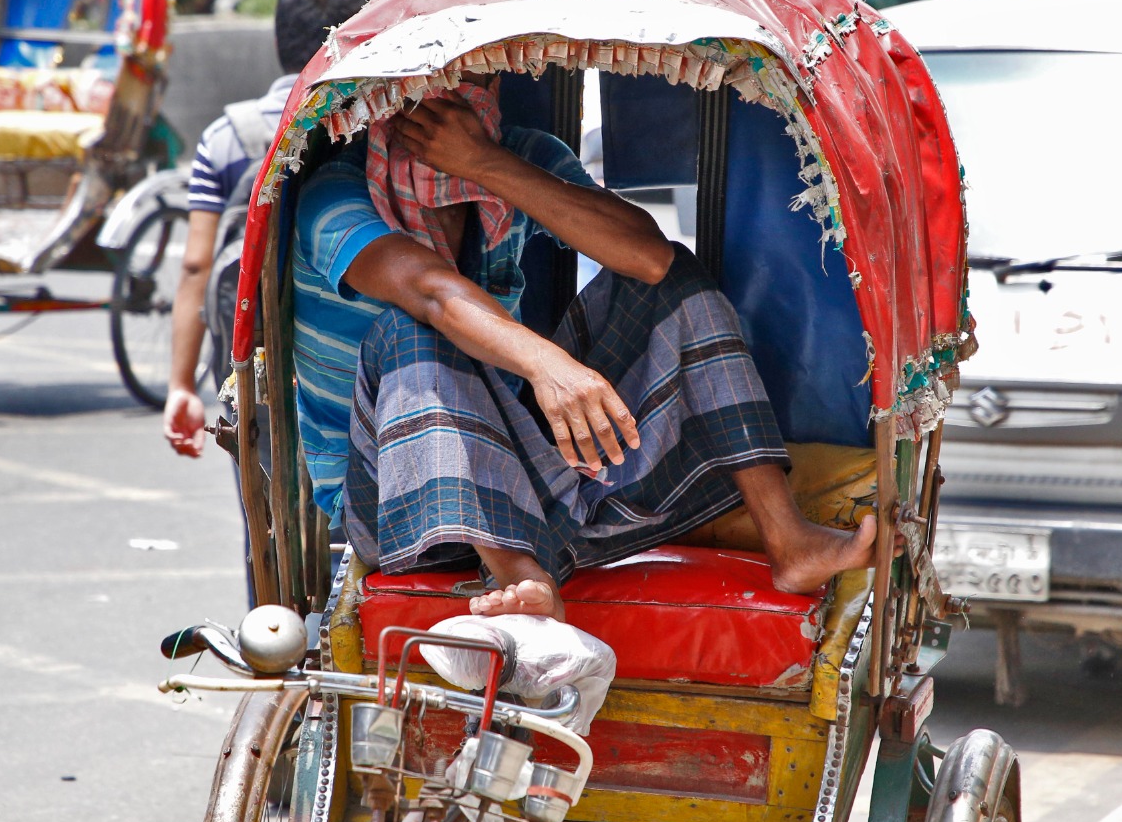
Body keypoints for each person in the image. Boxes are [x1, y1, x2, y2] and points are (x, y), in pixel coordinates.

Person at [292, 76, 879, 622]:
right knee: (415, 330)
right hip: (395, 498)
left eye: (480, 78)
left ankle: (788, 537)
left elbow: (647, 255)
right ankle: (526, 579)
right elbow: (432, 295)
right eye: (441, 80)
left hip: (527, 476)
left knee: (673, 279)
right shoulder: (337, 193)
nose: (461, 96)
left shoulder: (516, 154)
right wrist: (549, 365)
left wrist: (487, 164)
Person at [163, 0, 369, 460]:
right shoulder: (373, 123)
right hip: (352, 350)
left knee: (262, 498)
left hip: (251, 353)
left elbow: (195, 264)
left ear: (278, 41)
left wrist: (180, 385)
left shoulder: (225, 136)